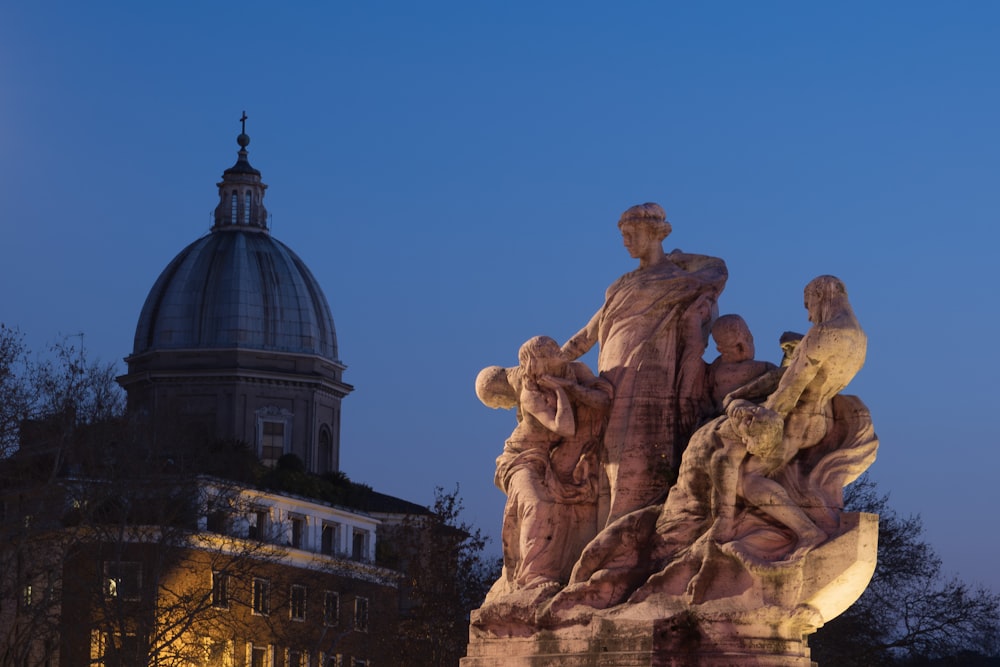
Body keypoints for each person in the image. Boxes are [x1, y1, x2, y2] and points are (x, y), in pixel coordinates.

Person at [561, 203, 727, 525]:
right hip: (613, 377)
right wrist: (554, 358)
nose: (625, 241)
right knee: (609, 459)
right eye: (622, 235)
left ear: (653, 233)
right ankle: (606, 540)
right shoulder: (619, 285)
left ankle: (630, 540)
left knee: (642, 459)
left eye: (630, 233)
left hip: (652, 379)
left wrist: (679, 258)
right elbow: (588, 334)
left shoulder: (677, 280)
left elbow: (718, 269)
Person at [476, 336, 612, 594]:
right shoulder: (531, 393)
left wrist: (568, 385)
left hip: (544, 462)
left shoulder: (576, 371)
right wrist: (562, 390)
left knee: (561, 509)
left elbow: (603, 400)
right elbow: (566, 428)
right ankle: (532, 577)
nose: (556, 358)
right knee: (537, 504)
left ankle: (550, 569)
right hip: (518, 460)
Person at [706, 314, 777, 414]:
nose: (744, 348)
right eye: (737, 345)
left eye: (747, 338)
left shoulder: (717, 367)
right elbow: (782, 375)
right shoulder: (730, 371)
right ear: (720, 349)